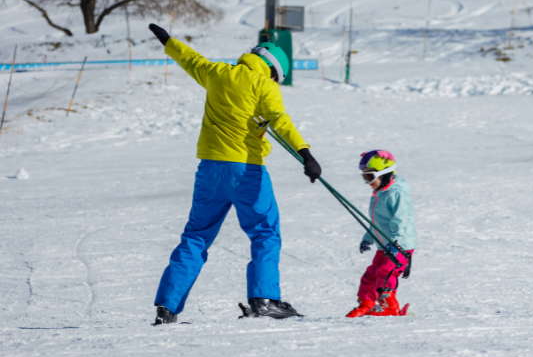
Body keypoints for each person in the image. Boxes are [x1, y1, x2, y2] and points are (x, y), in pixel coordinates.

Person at [147, 23, 321, 324]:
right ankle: (263, 300)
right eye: (277, 78)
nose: (275, 83)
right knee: (265, 232)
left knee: (196, 236)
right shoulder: (263, 84)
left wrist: (169, 41)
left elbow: (191, 60)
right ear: (271, 69)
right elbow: (279, 120)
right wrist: (304, 153)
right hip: (246, 170)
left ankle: (167, 308)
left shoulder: (218, 73)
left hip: (210, 170)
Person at [347, 150, 417, 318]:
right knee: (370, 275)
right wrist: (368, 239)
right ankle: (367, 304)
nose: (367, 182)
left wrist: (396, 244)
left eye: (370, 177)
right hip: (385, 246)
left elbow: (402, 221)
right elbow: (376, 223)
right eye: (365, 178)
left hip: (399, 246)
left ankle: (390, 306)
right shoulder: (379, 194)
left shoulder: (396, 194)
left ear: (384, 174)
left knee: (386, 272)